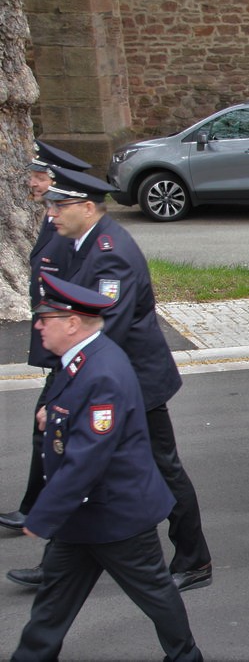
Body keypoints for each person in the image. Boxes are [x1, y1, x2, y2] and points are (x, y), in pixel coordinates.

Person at [22, 168, 213, 593]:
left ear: (87, 208)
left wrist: (64, 394)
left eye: (60, 205)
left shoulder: (111, 252)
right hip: (110, 379)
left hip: (135, 384)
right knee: (83, 467)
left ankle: (194, 559)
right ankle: (59, 565)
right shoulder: (80, 243)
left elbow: (105, 331)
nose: (50, 212)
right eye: (50, 203)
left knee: (164, 470)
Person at [12, 273, 201, 661]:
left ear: (72, 323)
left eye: (45, 318)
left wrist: (42, 515)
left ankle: (185, 656)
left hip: (117, 515)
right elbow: (75, 414)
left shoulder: (102, 371)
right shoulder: (82, 360)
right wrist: (56, 415)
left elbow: (89, 456)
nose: (37, 325)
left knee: (154, 593)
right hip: (81, 516)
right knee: (52, 602)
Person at [0, 141, 89, 538]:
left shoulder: (72, 230)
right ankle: (36, 508)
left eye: (39, 176)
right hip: (60, 346)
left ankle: (39, 511)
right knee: (52, 430)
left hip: (70, 348)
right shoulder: (52, 221)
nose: (32, 182)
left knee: (54, 430)